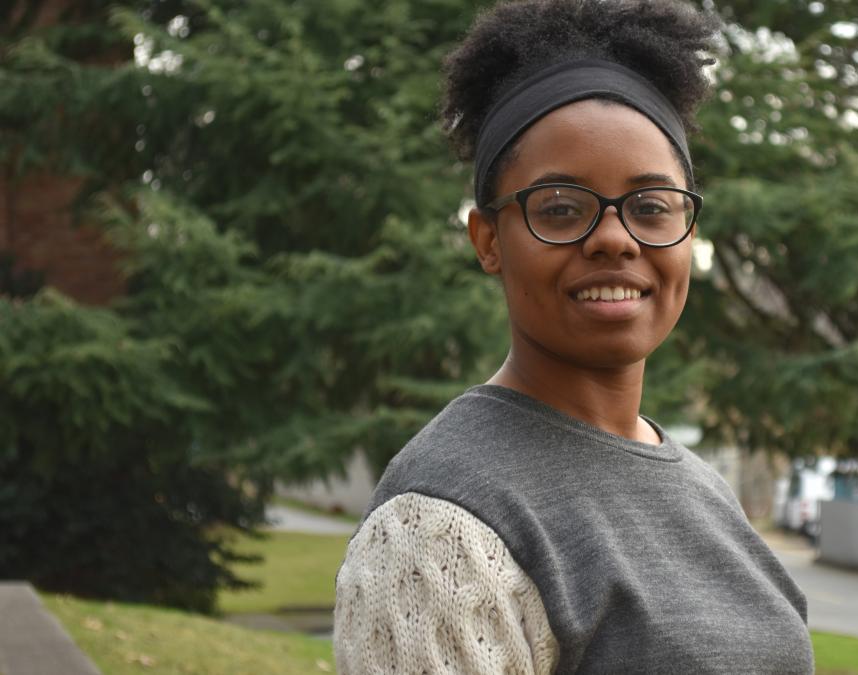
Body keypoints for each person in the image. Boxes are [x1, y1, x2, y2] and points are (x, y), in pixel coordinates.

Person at [333, 0, 815, 672]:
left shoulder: (704, 490)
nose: (615, 238)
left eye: (651, 207)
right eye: (561, 209)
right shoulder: (439, 527)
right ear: (489, 239)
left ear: (689, 234)